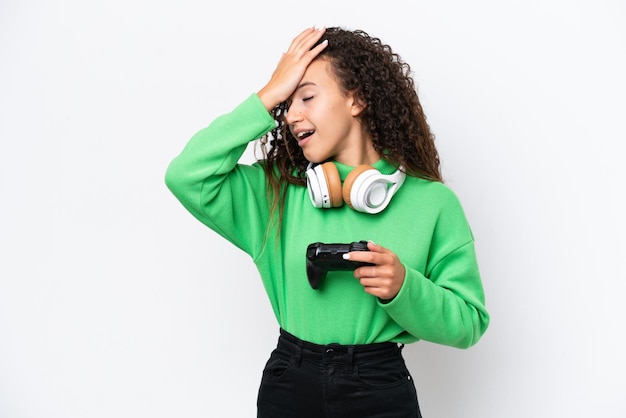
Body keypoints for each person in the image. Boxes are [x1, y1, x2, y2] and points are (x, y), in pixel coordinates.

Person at [165, 26, 489, 418]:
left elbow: (469, 322)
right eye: (287, 103)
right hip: (290, 382)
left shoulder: (433, 203)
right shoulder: (276, 194)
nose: (291, 116)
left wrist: (405, 287)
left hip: (379, 387)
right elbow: (186, 175)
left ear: (357, 98)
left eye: (307, 96)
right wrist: (267, 96)